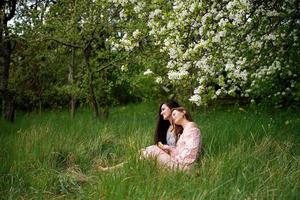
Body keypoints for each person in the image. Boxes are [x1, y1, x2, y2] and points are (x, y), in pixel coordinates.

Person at [95, 100, 181, 171]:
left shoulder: (180, 127)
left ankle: (112, 169)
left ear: (171, 108)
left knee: (148, 151)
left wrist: (164, 149)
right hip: (168, 157)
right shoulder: (169, 128)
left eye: (163, 109)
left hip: (176, 162)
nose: (161, 113)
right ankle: (114, 169)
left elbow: (180, 149)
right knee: (142, 153)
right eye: (161, 110)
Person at [141, 107, 201, 171]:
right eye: (172, 116)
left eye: (174, 114)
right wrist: (168, 149)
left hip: (185, 167)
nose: (173, 118)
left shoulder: (191, 128)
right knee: (147, 150)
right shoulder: (186, 130)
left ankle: (138, 167)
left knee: (153, 149)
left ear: (183, 112)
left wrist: (173, 157)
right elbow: (181, 152)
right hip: (180, 164)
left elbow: (190, 154)